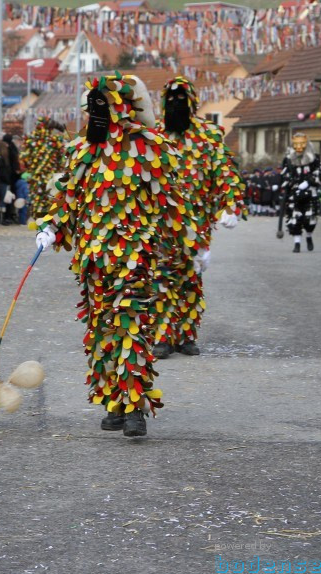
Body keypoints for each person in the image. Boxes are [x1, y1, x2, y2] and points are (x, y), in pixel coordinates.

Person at [34, 73, 199, 438]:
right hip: (92, 260)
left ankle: (135, 408)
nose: (93, 115)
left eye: (101, 107)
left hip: (133, 255)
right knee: (101, 330)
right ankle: (114, 401)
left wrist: (189, 245)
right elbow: (69, 198)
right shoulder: (83, 151)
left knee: (130, 327)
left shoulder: (148, 146)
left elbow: (170, 202)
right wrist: (53, 228)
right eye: (91, 108)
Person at [151, 76, 245, 359]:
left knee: (191, 278)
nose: (176, 105)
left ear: (191, 104)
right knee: (163, 279)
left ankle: (187, 335)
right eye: (171, 100)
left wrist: (231, 205)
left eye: (182, 100)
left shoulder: (208, 136)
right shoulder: (154, 135)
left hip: (197, 224)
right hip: (162, 224)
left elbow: (226, 172)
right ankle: (163, 336)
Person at [278, 132, 321, 253]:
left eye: (302, 143)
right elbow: (284, 174)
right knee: (295, 218)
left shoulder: (314, 158)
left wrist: (309, 182)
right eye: (296, 143)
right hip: (294, 194)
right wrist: (289, 184)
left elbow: (320, 173)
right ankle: (296, 243)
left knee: (310, 219)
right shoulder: (288, 159)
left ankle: (308, 236)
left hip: (310, 193)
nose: (299, 147)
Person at [20, 117, 68, 222]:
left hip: (36, 176)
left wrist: (31, 168)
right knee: (51, 197)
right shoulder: (55, 141)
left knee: (37, 197)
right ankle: (50, 220)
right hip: (51, 175)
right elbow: (63, 159)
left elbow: (24, 159)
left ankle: (38, 219)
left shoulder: (30, 140)